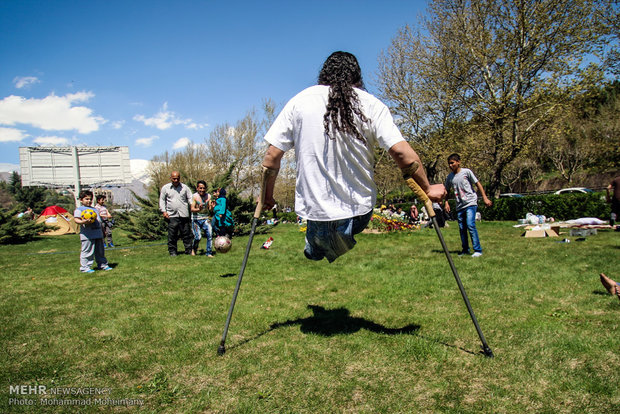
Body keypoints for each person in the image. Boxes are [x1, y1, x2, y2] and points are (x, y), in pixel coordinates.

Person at [260, 51, 446, 263]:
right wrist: (428, 188)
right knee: (324, 241)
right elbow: (402, 153)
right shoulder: (371, 104)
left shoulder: (299, 101)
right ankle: (325, 242)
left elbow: (272, 156)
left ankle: (318, 244)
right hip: (359, 212)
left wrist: (267, 196)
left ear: (324, 73)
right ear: (357, 77)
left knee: (316, 248)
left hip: (316, 210)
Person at [443, 153, 492, 257]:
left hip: (470, 202)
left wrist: (484, 197)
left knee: (470, 225)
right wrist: (446, 202)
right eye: (449, 164)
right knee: (462, 228)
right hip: (460, 206)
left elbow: (477, 184)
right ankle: (465, 250)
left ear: (458, 162)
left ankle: (477, 250)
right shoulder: (450, 177)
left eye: (452, 163)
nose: (450, 165)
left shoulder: (466, 172)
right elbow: (446, 191)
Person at [74, 190, 112, 273]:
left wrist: (103, 231)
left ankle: (102, 264)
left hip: (98, 234)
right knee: (87, 251)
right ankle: (85, 267)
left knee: (100, 251)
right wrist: (84, 222)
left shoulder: (94, 209)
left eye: (90, 199)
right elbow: (76, 220)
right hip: (87, 235)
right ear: (81, 200)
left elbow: (99, 221)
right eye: (86, 199)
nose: (89, 201)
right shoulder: (79, 209)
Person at [159, 171, 193, 256]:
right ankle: (173, 252)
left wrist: (194, 206)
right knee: (172, 235)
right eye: (174, 178)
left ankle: (189, 251)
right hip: (171, 215)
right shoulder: (165, 188)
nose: (176, 180)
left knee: (186, 234)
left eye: (177, 178)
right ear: (170, 178)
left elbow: (190, 198)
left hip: (183, 215)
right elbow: (162, 200)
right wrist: (164, 211)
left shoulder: (185, 188)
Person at [190, 180, 214, 257]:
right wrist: (198, 209)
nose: (202, 190)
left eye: (203, 188)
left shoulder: (209, 196)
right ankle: (194, 249)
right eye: (200, 188)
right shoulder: (194, 197)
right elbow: (192, 209)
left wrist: (212, 207)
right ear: (197, 188)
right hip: (196, 219)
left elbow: (210, 209)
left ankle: (209, 253)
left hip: (205, 218)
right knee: (198, 237)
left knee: (210, 234)